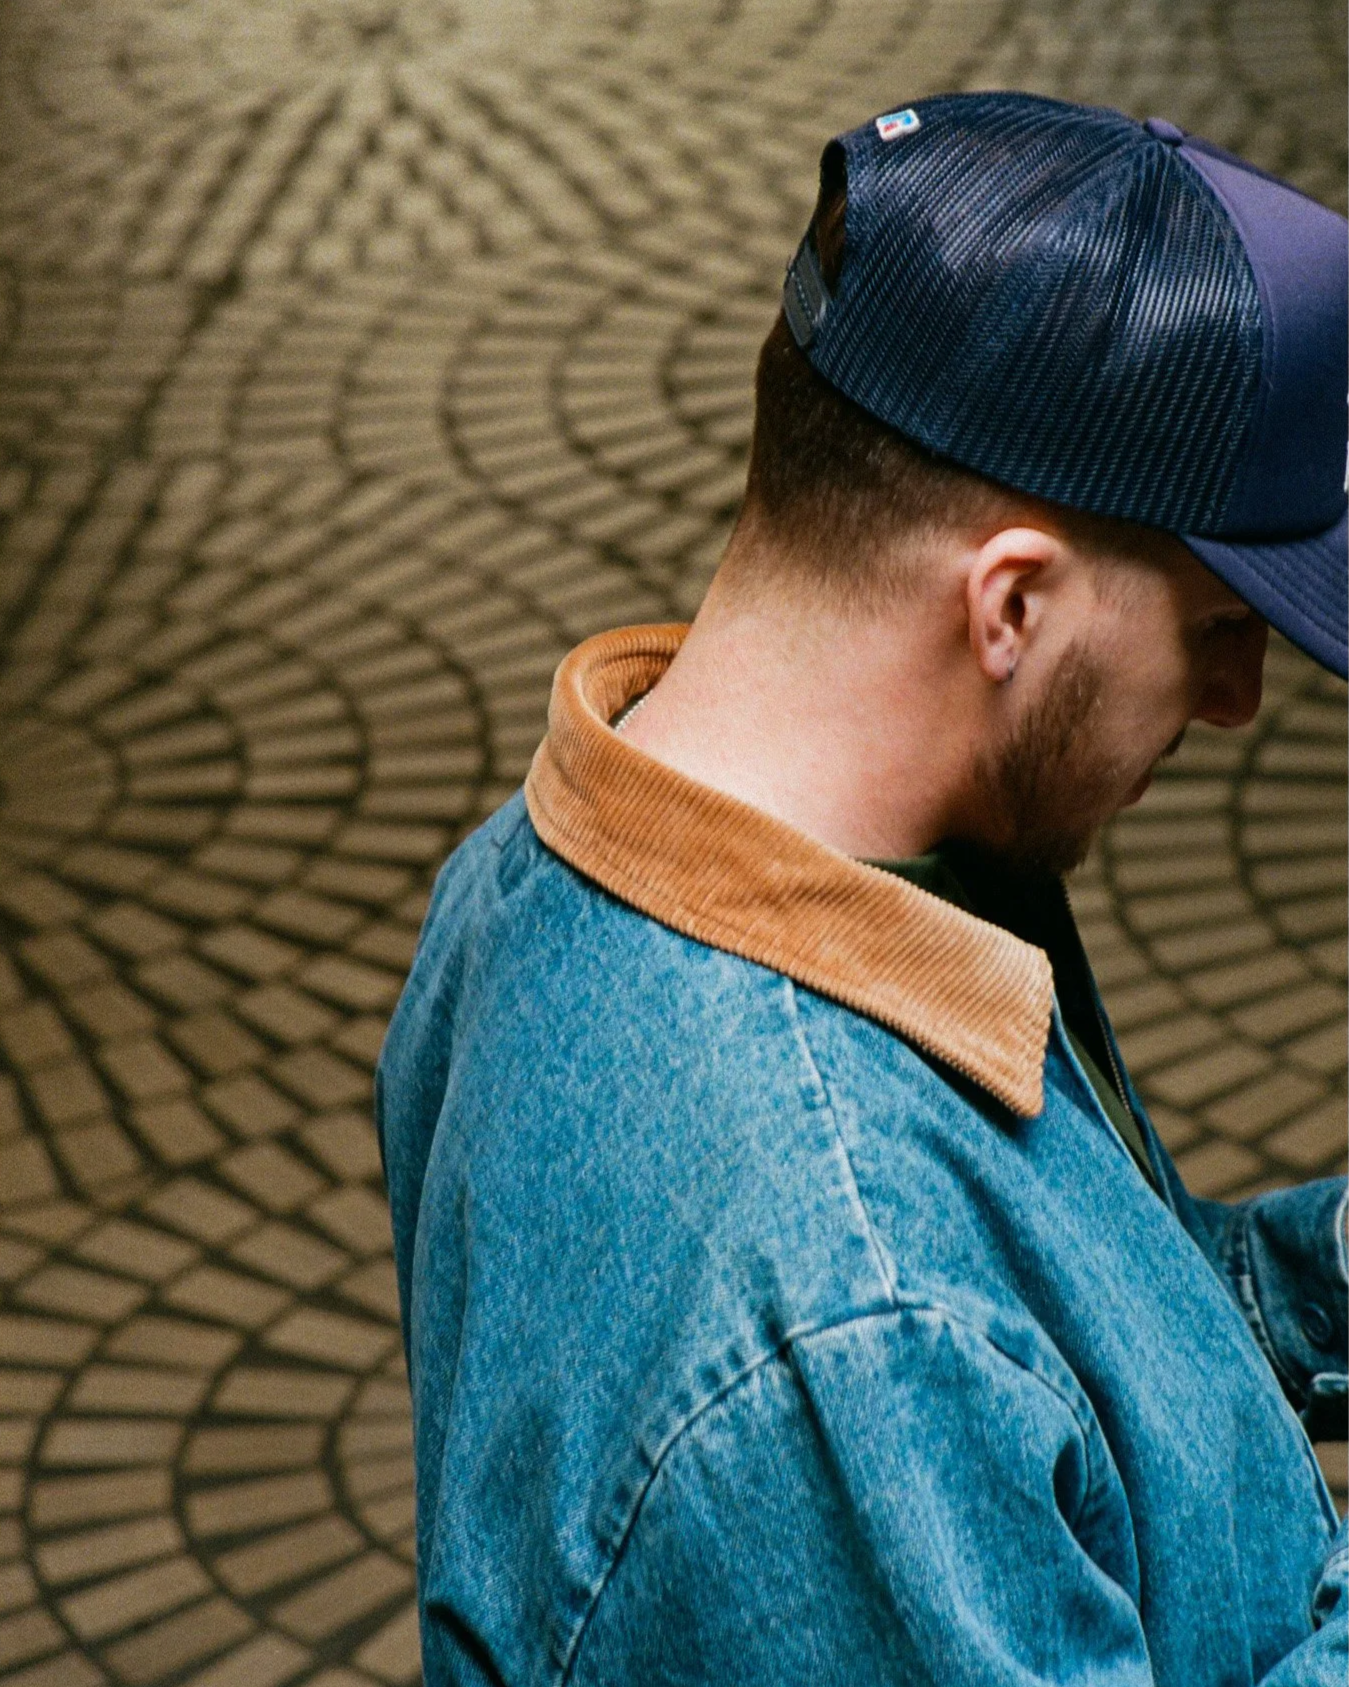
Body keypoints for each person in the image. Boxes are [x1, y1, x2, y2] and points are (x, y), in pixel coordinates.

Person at [377, 92, 1348, 1685]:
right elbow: (937, 1354)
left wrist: (1321, 1277)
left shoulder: (542, 872)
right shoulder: (855, 1327)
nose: (1240, 701)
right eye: (1217, 625)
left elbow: (1071, 1366)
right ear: (1011, 605)